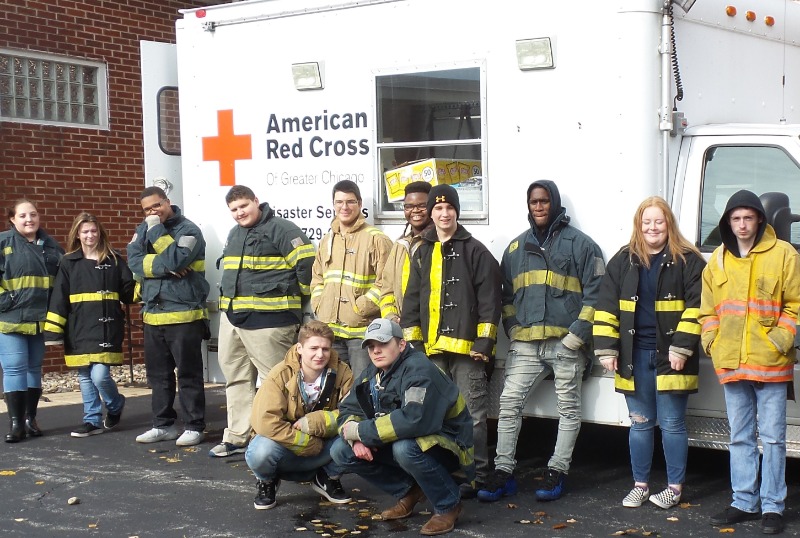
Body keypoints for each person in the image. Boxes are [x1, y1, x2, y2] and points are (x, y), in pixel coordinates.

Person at [478, 180, 604, 503]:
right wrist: (513, 329)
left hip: (566, 344)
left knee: (569, 409)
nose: (538, 206)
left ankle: (557, 470)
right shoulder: (516, 249)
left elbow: (597, 295)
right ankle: (504, 473)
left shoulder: (581, 245)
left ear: (554, 203)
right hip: (527, 345)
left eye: (544, 201)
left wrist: (576, 337)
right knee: (508, 405)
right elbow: (505, 295)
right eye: (534, 201)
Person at [593, 197, 706, 509]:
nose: (653, 228)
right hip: (634, 357)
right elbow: (605, 308)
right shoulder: (623, 260)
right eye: (647, 222)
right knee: (640, 423)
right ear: (638, 226)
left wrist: (682, 348)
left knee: (672, 424)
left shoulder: (688, 261)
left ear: (668, 223)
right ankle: (640, 485)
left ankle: (674, 488)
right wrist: (606, 349)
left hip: (672, 357)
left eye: (659, 221)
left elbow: (698, 307)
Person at [699, 190, 800, 535]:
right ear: (728, 222)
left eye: (748, 218)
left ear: (759, 219)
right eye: (735, 219)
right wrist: (712, 342)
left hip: (771, 362)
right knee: (740, 437)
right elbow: (708, 311)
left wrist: (779, 341)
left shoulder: (784, 254)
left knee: (772, 438)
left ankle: (772, 507)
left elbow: (795, 305)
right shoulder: (717, 260)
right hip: (731, 362)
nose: (742, 225)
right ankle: (744, 501)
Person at [401, 184, 501, 496]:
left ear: (457, 212)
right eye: (438, 209)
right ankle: (442, 471)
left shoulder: (476, 251)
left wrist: (484, 344)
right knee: (434, 415)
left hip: (467, 352)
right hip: (431, 352)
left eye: (449, 209)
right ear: (430, 213)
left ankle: (477, 475)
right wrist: (414, 346)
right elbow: (412, 302)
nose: (444, 214)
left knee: (472, 416)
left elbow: (490, 302)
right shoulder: (422, 251)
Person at [331, 318, 474, 536]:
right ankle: (410, 491)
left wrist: (361, 432)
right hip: (407, 438)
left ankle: (448, 505)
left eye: (383, 344)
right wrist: (354, 436)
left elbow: (413, 420)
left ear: (401, 344)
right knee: (340, 450)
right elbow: (348, 408)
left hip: (450, 443)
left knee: (404, 449)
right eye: (371, 346)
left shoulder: (419, 370)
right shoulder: (373, 372)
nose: (376, 351)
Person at [209, 185, 315, 458]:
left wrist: (300, 303)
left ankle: (277, 438)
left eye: (244, 206)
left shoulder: (282, 229)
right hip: (233, 320)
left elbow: (307, 267)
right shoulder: (235, 233)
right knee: (236, 379)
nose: (239, 213)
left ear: (256, 201)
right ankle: (237, 436)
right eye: (233, 209)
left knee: (277, 382)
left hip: (271, 321)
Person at [127, 186, 210, 447]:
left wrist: (155, 233)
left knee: (188, 374)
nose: (152, 212)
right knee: (158, 376)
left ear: (167, 202)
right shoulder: (142, 229)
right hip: (153, 314)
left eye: (156, 206)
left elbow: (176, 260)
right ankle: (162, 425)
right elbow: (133, 260)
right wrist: (166, 267)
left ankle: (194, 426)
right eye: (147, 210)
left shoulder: (189, 230)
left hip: (184, 314)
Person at [43, 213, 136, 438]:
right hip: (78, 327)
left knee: (100, 376)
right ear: (77, 234)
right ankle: (92, 420)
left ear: (100, 232)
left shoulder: (113, 259)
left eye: (93, 231)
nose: (90, 235)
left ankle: (115, 405)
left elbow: (129, 292)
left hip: (107, 327)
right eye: (85, 231)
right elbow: (59, 297)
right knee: (85, 375)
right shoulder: (68, 262)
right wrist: (54, 331)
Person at [245, 320, 353, 509]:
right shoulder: (280, 374)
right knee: (260, 452)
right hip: (288, 446)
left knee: (359, 436)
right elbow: (265, 422)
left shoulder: (343, 372)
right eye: (314, 348)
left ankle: (328, 477)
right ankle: (267, 482)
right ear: (300, 348)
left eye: (325, 349)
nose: (320, 355)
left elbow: (353, 412)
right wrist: (308, 443)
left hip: (324, 444)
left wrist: (314, 422)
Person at [310, 180, 392, 378]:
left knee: (362, 387)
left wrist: (360, 307)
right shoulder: (328, 239)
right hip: (330, 332)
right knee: (333, 389)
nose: (344, 207)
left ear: (360, 203)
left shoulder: (376, 239)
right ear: (333, 204)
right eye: (339, 202)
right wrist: (320, 304)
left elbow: (388, 281)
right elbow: (317, 278)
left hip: (360, 333)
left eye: (350, 202)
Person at [0, 199, 64, 442]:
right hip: (10, 318)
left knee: (34, 369)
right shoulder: (3, 242)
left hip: (40, 320)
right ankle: (16, 424)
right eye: (23, 215)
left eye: (34, 214)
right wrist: (7, 302)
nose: (30, 219)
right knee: (15, 366)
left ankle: (30, 419)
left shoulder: (51, 246)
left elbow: (62, 280)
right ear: (12, 219)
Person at [377, 181, 432, 323]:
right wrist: (391, 317)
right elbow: (387, 290)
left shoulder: (439, 242)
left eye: (422, 206)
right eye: (409, 206)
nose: (415, 211)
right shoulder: (400, 245)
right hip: (402, 329)